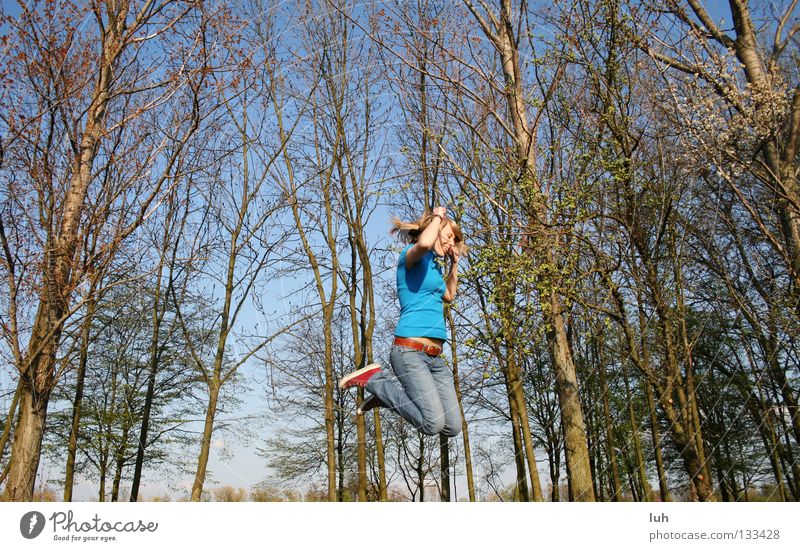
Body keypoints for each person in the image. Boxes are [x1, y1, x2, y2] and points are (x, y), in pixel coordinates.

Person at [338, 206, 467, 437]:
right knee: (432, 424)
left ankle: (386, 397)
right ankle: (376, 381)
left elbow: (449, 295)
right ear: (433, 229)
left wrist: (454, 265)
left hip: (435, 358)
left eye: (454, 241)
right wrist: (438, 215)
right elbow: (425, 244)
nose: (451, 243)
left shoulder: (435, 270)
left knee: (453, 427)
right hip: (410, 352)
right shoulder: (410, 256)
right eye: (448, 237)